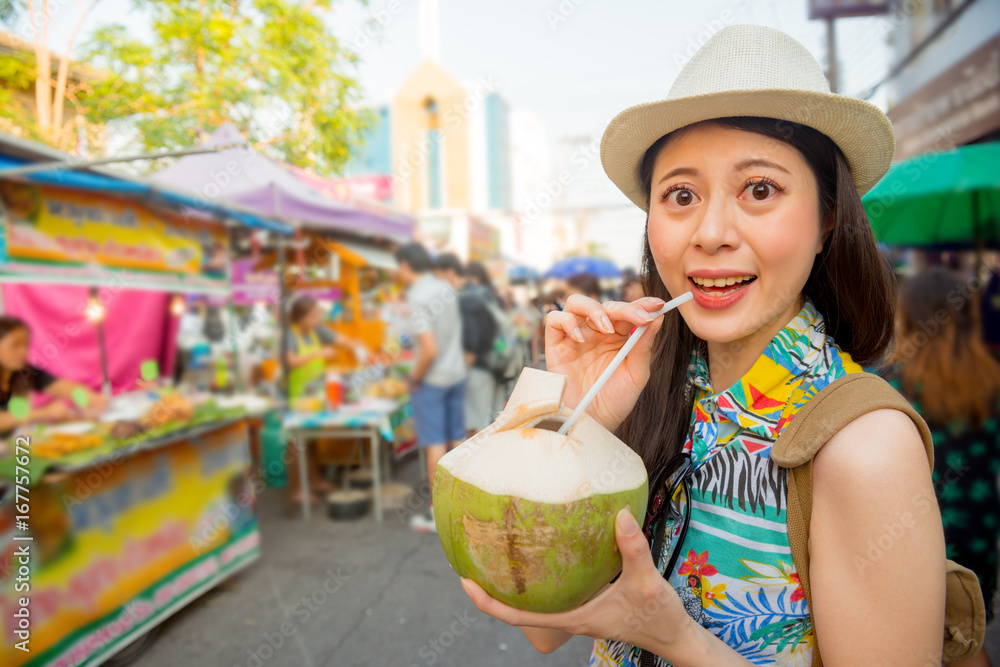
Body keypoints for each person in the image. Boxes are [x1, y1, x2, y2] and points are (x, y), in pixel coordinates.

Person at [459, 25, 946, 666]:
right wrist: (570, 421)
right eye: (681, 195)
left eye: (760, 190)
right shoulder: (649, 391)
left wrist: (672, 638)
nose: (711, 233)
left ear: (828, 217)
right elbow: (540, 622)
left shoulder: (864, 448)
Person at [884, 268, 1000, 667]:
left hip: (917, 539)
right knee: (967, 638)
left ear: (909, 319)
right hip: (978, 534)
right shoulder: (992, 382)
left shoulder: (886, 387)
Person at [396, 243, 467, 533]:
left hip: (432, 379)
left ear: (404, 266)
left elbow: (428, 349)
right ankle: (465, 501)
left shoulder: (417, 297)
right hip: (457, 372)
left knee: (435, 444)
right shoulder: (446, 288)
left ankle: (439, 513)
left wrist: (414, 377)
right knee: (458, 439)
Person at [284, 295, 361, 506]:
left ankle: (316, 481)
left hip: (313, 396)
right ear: (302, 318)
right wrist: (320, 352)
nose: (318, 319)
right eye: (314, 315)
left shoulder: (315, 331)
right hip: (295, 398)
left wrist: (359, 347)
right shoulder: (289, 335)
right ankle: (297, 491)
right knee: (295, 445)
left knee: (311, 442)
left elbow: (341, 340)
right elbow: (291, 362)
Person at [0, 316, 107, 437]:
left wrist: (89, 399)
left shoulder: (25, 372)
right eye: (15, 345)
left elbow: (67, 388)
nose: (23, 351)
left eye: (25, 344)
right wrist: (45, 412)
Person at [434, 253, 499, 438]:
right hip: (487, 367)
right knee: (480, 425)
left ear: (450, 272)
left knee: (476, 429)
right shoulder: (482, 294)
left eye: (438, 275)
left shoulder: (466, 299)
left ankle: (478, 467)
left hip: (474, 371)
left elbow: (471, 342)